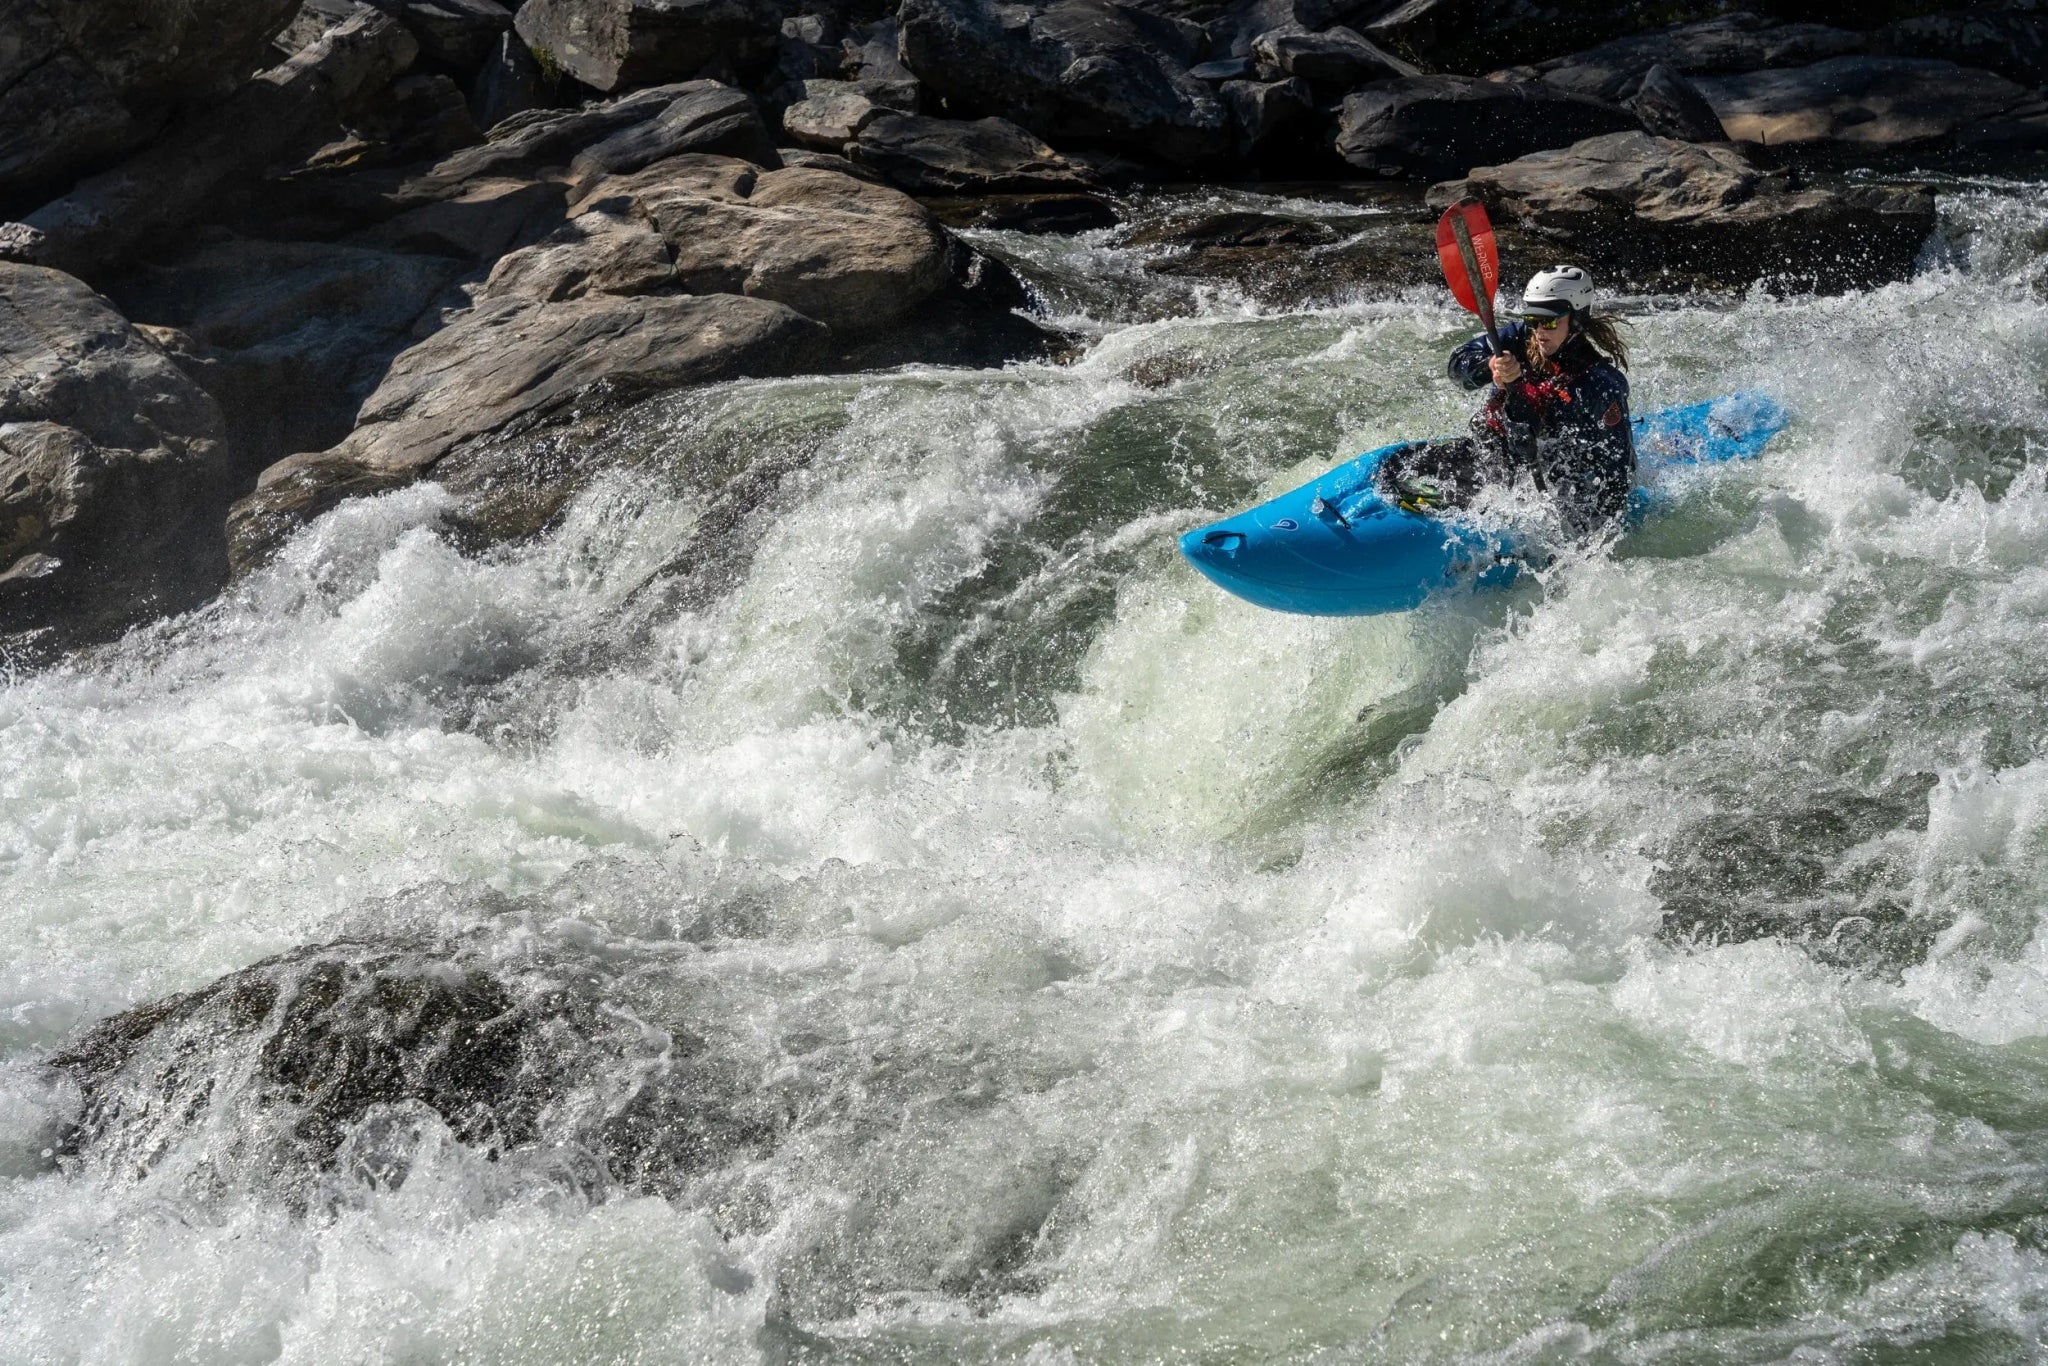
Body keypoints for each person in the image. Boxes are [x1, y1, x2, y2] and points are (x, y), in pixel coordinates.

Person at [1395, 266, 1636, 535]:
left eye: (1550, 322)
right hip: (1493, 452)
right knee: (1397, 467)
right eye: (1533, 320)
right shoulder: (1519, 337)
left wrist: (1586, 536)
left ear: (1577, 319)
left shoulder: (1599, 384)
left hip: (1549, 480)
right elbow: (1457, 365)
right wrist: (1488, 368)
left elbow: (1616, 472)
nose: (1539, 331)